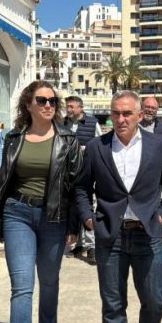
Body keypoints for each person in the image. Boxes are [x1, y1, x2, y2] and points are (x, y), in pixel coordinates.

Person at [76, 91, 162, 323]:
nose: (120, 119)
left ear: (139, 115)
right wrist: (89, 219)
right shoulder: (97, 147)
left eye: (126, 114)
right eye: (115, 114)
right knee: (113, 304)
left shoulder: (159, 146)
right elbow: (81, 188)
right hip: (111, 235)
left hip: (147, 233)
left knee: (155, 298)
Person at [0, 81, 83, 323]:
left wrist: (75, 226)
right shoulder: (14, 139)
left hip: (54, 217)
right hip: (18, 213)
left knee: (49, 281)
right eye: (41, 100)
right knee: (22, 287)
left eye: (52, 100)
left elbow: (75, 185)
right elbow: (4, 181)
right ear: (28, 104)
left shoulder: (68, 139)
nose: (48, 105)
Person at [64, 95, 100, 264]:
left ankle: (92, 246)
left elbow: (100, 144)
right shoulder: (63, 123)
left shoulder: (92, 123)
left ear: (80, 108)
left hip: (87, 172)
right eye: (67, 106)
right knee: (73, 209)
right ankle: (79, 244)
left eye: (72, 106)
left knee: (88, 206)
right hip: (68, 173)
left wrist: (87, 150)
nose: (69, 110)